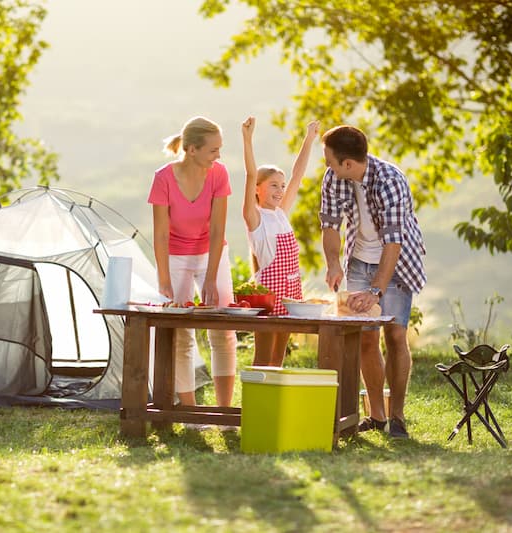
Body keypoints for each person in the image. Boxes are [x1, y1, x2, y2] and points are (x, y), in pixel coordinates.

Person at [319, 125, 426, 439]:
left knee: (394, 336)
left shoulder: (391, 180)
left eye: (330, 161)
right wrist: (334, 263)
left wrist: (375, 290)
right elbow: (330, 224)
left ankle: (398, 417)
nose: (327, 167)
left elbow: (394, 243)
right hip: (358, 261)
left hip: (396, 263)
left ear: (348, 164)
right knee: (365, 338)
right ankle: (377, 416)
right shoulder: (334, 178)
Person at [147, 116, 237, 407]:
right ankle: (189, 412)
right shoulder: (163, 178)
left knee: (223, 331)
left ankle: (223, 412)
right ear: (192, 150)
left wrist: (210, 277)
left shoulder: (219, 174)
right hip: (175, 257)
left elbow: (218, 230)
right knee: (181, 335)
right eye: (213, 150)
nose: (219, 155)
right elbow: (160, 234)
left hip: (212, 254)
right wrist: (163, 278)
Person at [241, 117, 320, 366]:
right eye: (273, 185)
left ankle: (273, 400)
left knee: (279, 357)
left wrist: (309, 139)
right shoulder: (255, 218)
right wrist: (247, 139)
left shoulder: (281, 214)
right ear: (257, 188)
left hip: (291, 294)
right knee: (263, 355)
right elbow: (250, 173)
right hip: (268, 295)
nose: (280, 190)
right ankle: (257, 400)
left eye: (282, 186)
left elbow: (298, 174)